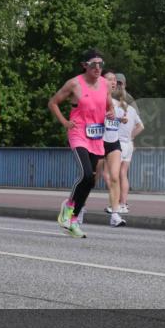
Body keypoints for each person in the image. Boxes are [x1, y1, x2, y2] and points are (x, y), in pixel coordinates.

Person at [48, 49, 115, 238]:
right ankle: (68, 207)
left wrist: (110, 113)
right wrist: (65, 122)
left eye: (101, 64)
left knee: (92, 180)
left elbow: (109, 104)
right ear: (85, 65)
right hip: (78, 133)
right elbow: (53, 102)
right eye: (94, 64)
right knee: (85, 173)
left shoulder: (104, 84)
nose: (98, 68)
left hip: (96, 136)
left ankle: (73, 220)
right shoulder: (74, 84)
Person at [98, 71, 125, 227]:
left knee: (115, 177)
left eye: (115, 80)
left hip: (113, 143)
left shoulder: (118, 103)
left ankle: (115, 214)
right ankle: (79, 209)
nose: (113, 82)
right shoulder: (97, 100)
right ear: (102, 82)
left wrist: (122, 118)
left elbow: (119, 119)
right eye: (110, 79)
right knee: (91, 179)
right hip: (97, 142)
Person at [115, 82, 143, 214]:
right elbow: (141, 126)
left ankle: (114, 204)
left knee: (113, 175)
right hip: (128, 144)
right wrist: (131, 137)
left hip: (117, 143)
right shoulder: (132, 110)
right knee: (123, 174)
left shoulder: (116, 108)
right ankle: (123, 204)